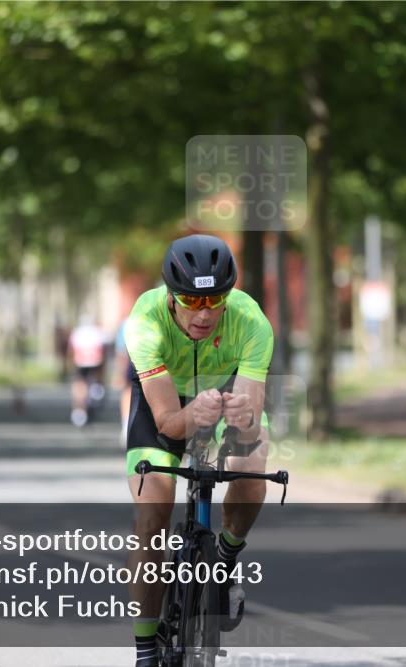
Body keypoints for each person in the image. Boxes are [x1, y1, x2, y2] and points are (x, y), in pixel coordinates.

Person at [124, 235, 273, 667]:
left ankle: (224, 559)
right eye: (191, 299)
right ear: (171, 295)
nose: (204, 312)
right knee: (153, 509)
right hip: (165, 404)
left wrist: (242, 414)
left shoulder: (251, 322)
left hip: (225, 396)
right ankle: (146, 648)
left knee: (252, 465)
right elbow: (170, 422)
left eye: (215, 299)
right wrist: (192, 416)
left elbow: (250, 412)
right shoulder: (145, 322)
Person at [68, 314, 106, 427]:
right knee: (94, 377)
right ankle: (97, 388)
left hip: (80, 361)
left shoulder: (77, 332)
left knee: (79, 382)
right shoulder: (97, 331)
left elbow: (71, 350)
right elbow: (103, 350)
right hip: (96, 361)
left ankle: (79, 410)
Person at [112, 318, 135, 444]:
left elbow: (121, 352)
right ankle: (126, 424)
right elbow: (122, 351)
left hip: (135, 361)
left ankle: (126, 425)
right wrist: (119, 373)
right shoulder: (127, 323)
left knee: (128, 390)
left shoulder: (126, 322)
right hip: (133, 360)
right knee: (128, 390)